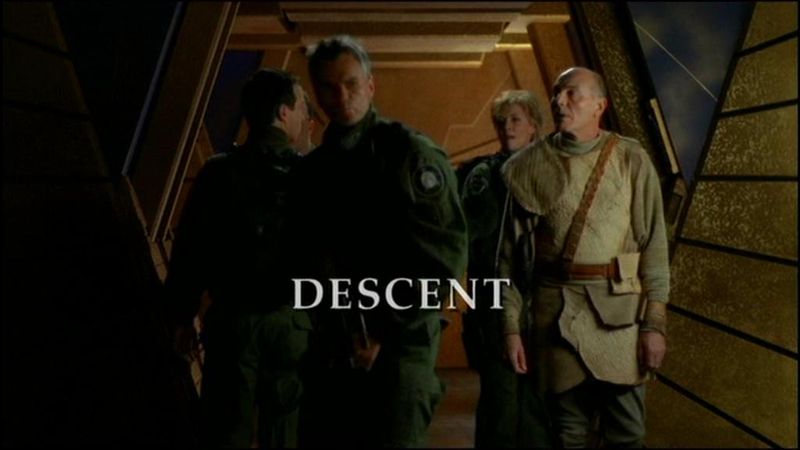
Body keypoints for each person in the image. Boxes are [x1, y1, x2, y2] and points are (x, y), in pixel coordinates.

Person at [291, 34, 468, 448]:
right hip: (333, 344)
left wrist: (382, 331)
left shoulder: (409, 154)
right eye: (329, 88)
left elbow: (443, 260)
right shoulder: (314, 171)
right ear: (316, 94)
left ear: (370, 85)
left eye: (351, 84)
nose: (342, 97)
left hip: (402, 343)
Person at [498, 67, 669, 447]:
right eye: (557, 93)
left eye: (571, 93)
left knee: (628, 435)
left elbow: (654, 248)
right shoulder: (527, 168)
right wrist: (511, 329)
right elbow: (508, 264)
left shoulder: (631, 159)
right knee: (567, 434)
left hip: (620, 318)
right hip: (554, 315)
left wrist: (654, 324)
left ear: (599, 106)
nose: (559, 101)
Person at [164, 68, 312, 448]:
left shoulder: (217, 173)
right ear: (283, 112)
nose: (305, 116)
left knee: (226, 431)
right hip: (291, 323)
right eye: (300, 107)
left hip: (232, 323)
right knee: (284, 431)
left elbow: (190, 250)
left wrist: (181, 316)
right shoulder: (310, 177)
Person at [460, 90, 553, 447]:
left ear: (533, 125)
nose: (507, 127)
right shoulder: (484, 176)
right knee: (500, 403)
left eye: (515, 119)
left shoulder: (551, 172)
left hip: (541, 301)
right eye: (502, 121)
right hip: (492, 299)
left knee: (536, 410)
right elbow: (469, 237)